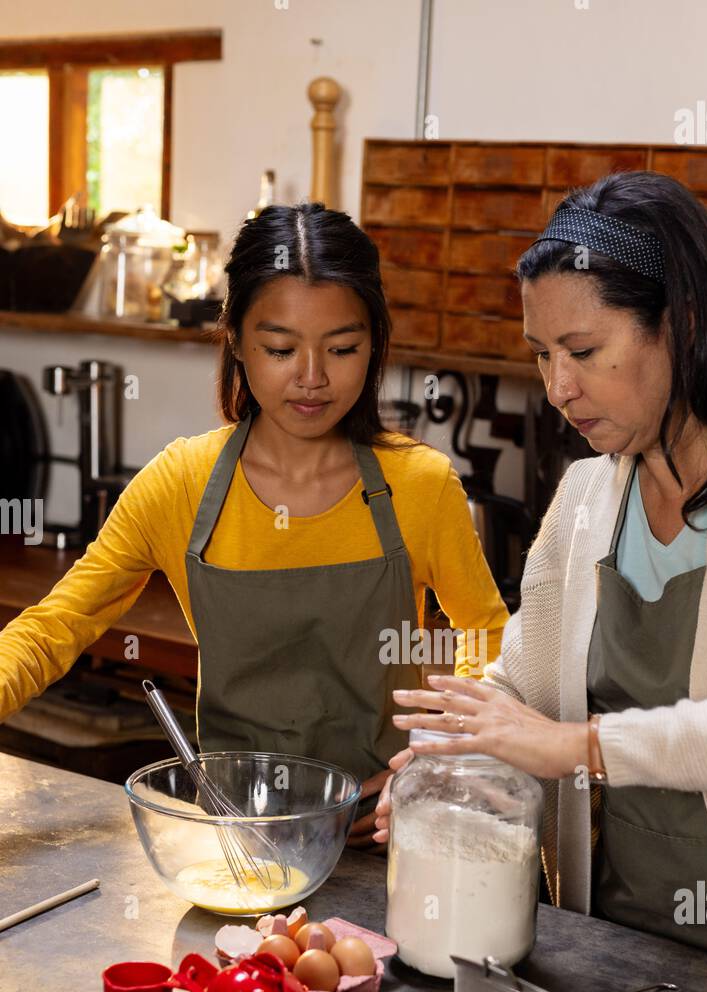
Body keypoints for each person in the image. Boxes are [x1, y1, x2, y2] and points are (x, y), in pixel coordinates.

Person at [376, 171, 707, 992]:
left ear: (684, 325)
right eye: (540, 355)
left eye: (583, 352)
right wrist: (442, 771)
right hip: (614, 961)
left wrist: (586, 749)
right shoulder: (586, 497)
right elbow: (519, 696)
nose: (557, 389)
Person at [0, 203, 508, 848]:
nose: (313, 378)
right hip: (238, 839)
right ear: (236, 338)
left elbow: (484, 632)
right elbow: (55, 627)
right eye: (280, 348)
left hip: (384, 837)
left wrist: (434, 764)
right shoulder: (180, 483)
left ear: (374, 342)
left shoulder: (420, 485)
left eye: (343, 348)